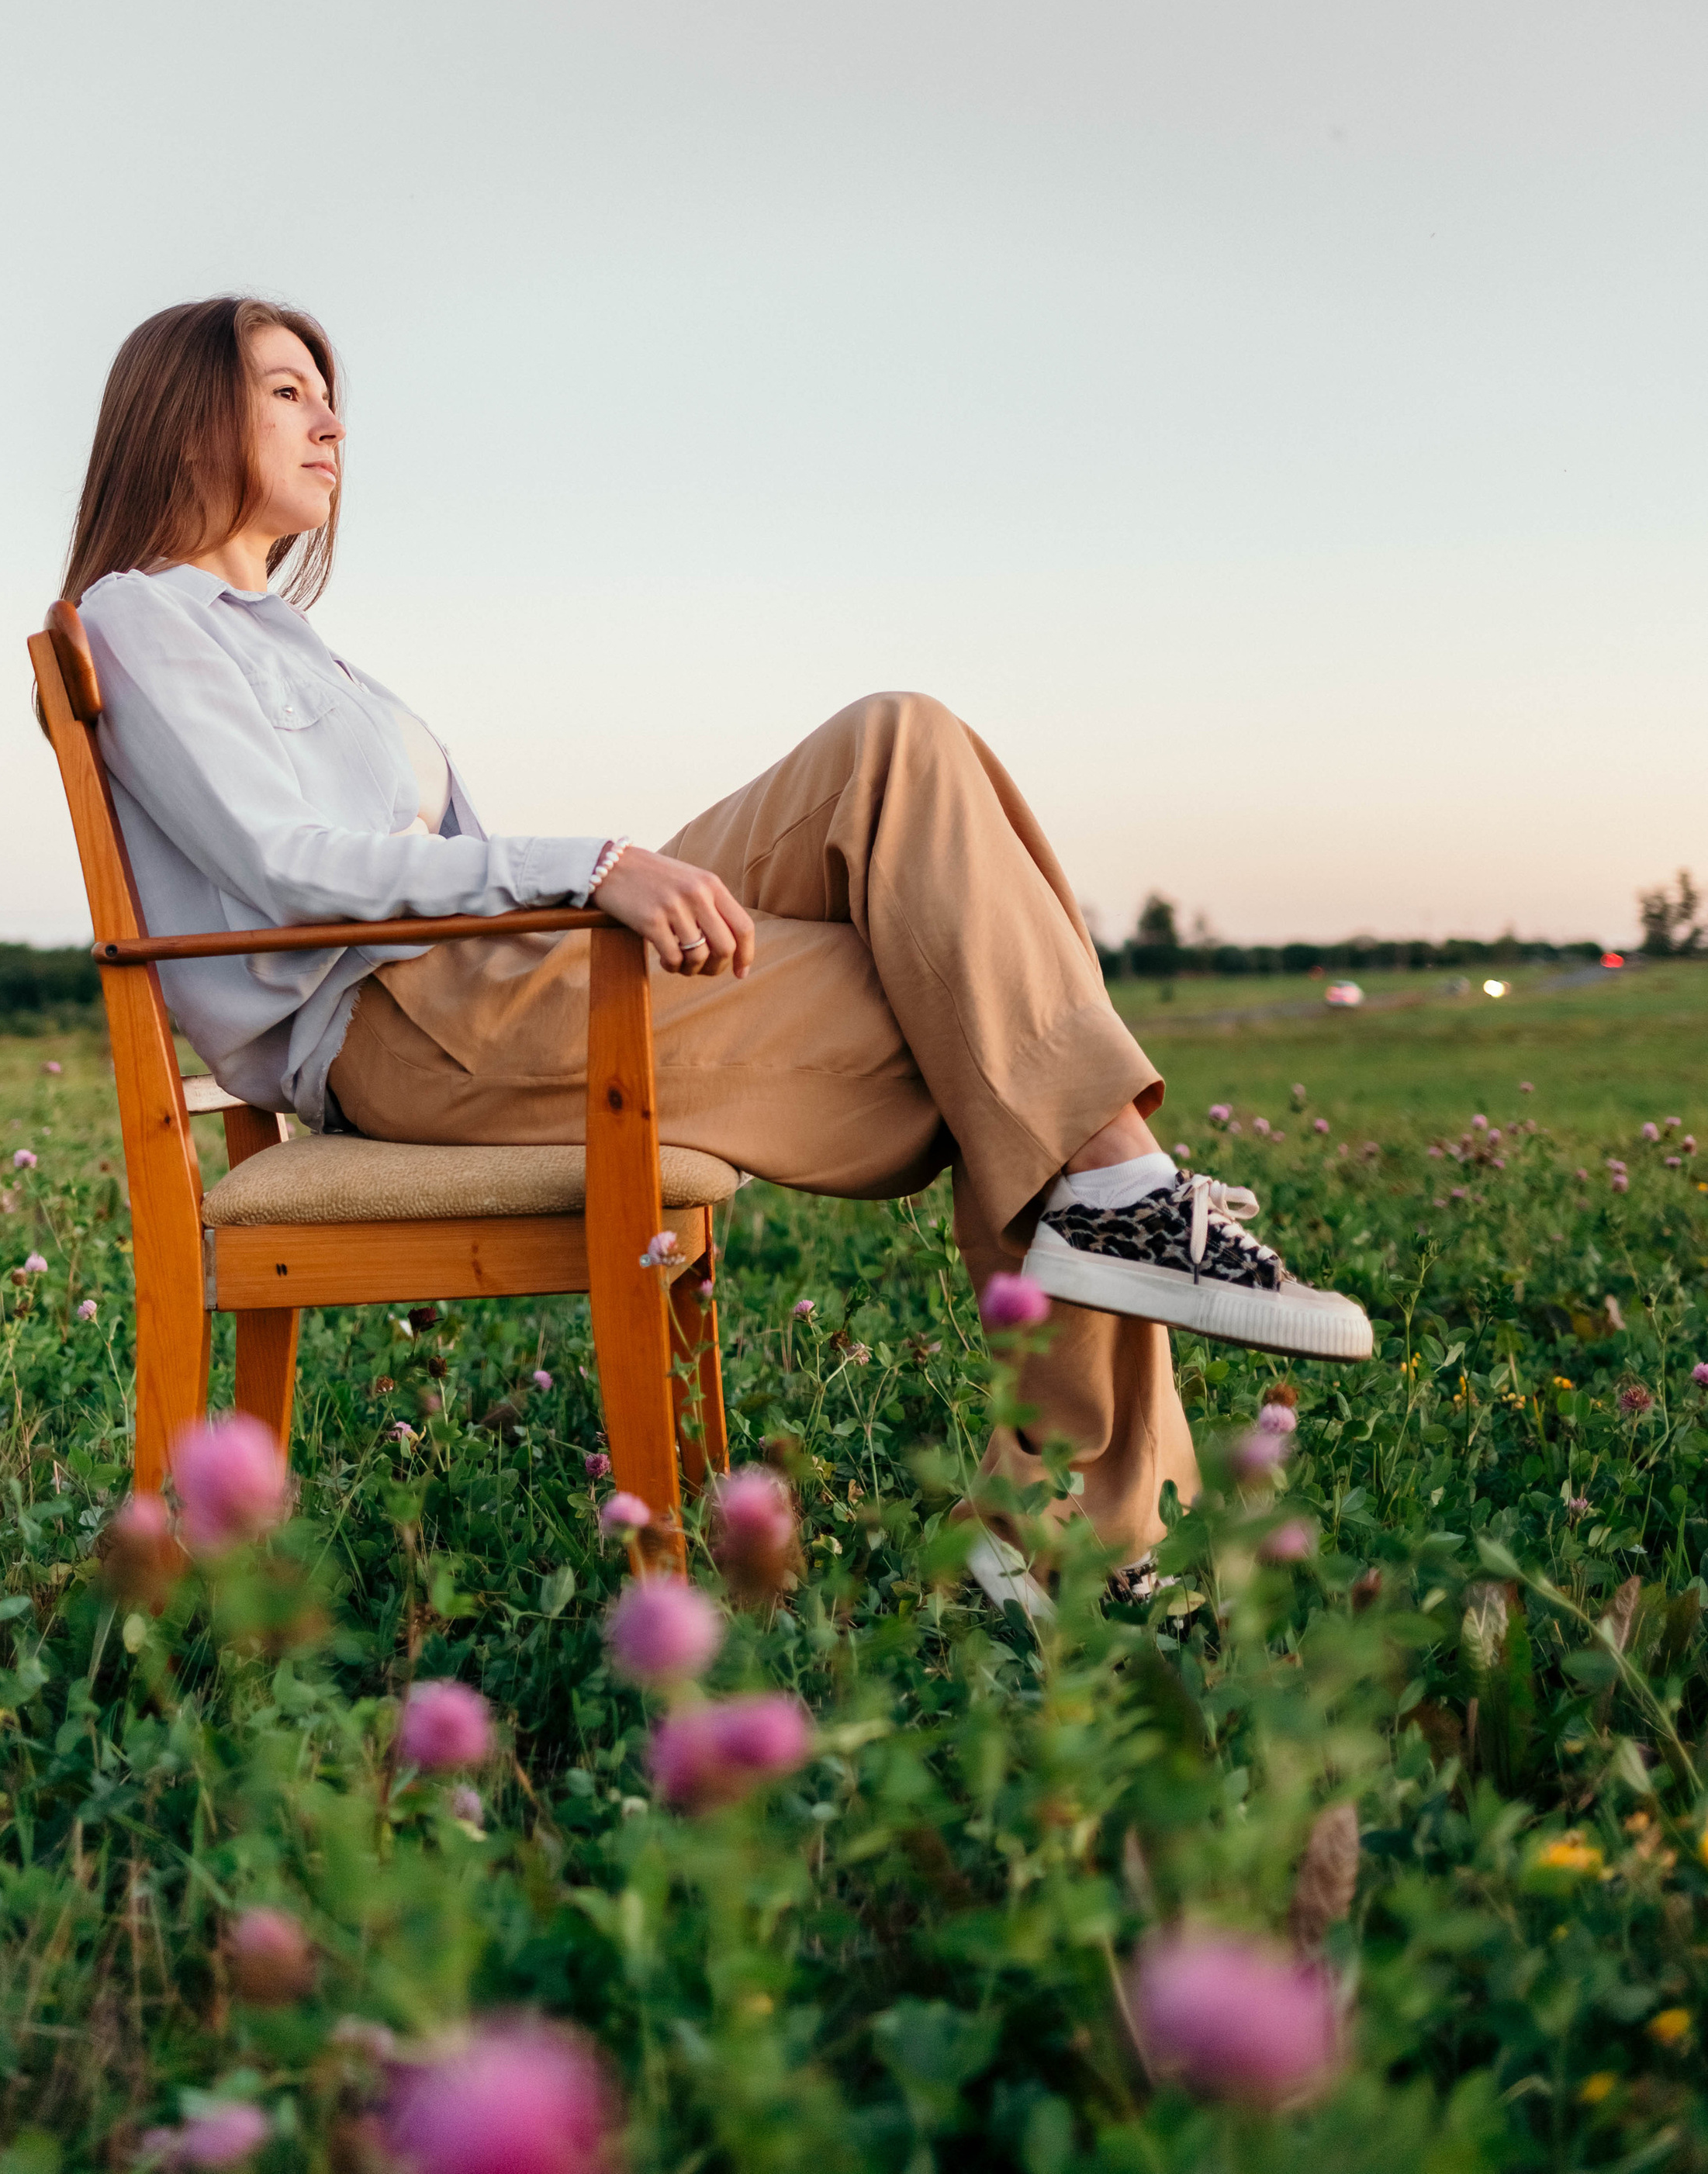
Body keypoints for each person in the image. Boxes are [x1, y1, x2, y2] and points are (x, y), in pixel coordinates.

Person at [66, 296, 1371, 1596]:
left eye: (324, 389)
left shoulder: (304, 650)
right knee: (991, 1017)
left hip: (510, 972)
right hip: (413, 1022)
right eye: (286, 391)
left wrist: (593, 882)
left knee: (899, 747)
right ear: (185, 421)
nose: (332, 420)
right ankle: (1084, 1501)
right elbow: (284, 861)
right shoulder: (140, 616)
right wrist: (595, 867)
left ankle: (1115, 1209)